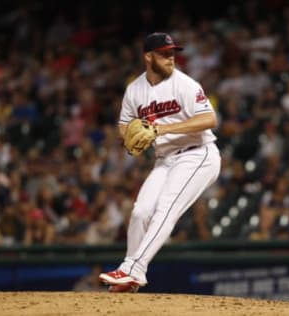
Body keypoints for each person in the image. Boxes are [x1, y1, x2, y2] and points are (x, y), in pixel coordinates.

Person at [99, 32, 221, 292]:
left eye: (172, 53)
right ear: (148, 57)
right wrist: (129, 138)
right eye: (164, 54)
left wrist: (160, 130)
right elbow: (124, 126)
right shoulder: (134, 90)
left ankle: (134, 270)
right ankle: (129, 277)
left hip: (198, 154)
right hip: (165, 160)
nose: (170, 58)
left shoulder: (185, 84)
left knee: (166, 209)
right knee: (141, 212)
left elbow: (210, 120)